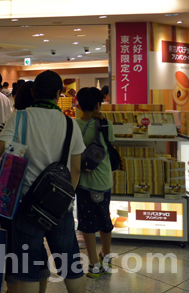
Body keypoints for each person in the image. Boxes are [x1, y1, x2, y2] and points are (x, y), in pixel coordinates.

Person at [0, 70, 86, 293]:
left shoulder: (21, 117)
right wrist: (63, 200)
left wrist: (20, 146)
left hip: (26, 205)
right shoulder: (71, 124)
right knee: (71, 266)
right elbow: (75, 169)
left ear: (34, 93)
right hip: (60, 207)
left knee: (28, 269)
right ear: (59, 92)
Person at [75, 87, 115, 279]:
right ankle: (107, 258)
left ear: (78, 104)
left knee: (87, 222)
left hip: (82, 181)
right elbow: (110, 144)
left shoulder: (73, 125)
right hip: (104, 180)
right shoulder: (105, 124)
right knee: (104, 219)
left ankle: (93, 264)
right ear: (98, 104)